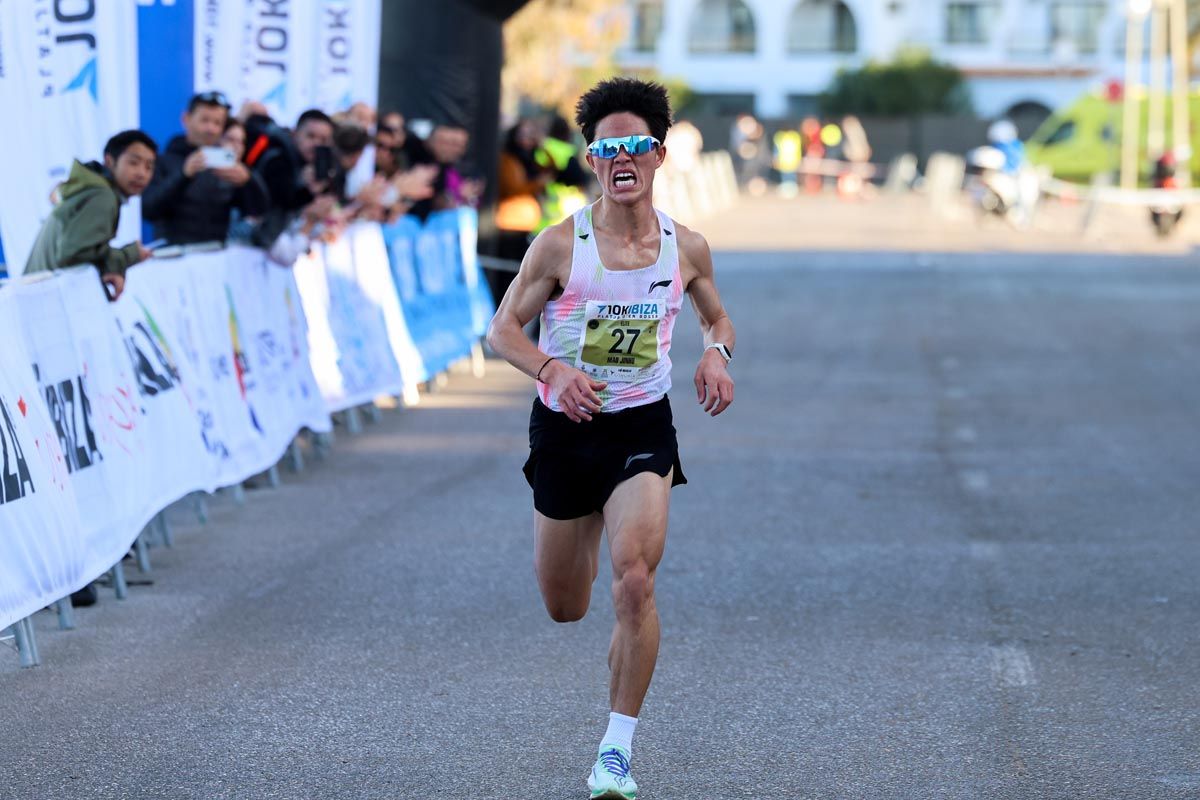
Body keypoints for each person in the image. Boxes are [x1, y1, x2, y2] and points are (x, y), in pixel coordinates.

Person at [485, 77, 736, 800]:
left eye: (636, 144)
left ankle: (616, 751)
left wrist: (717, 353)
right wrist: (551, 368)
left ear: (659, 154)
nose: (622, 157)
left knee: (635, 581)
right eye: (607, 147)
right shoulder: (559, 245)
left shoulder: (686, 248)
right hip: (566, 431)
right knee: (566, 605)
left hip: (641, 424)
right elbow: (502, 330)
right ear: (592, 158)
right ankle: (592, 541)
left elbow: (717, 319)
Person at [25, 130, 157, 301]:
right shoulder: (103, 196)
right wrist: (129, 254)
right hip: (48, 302)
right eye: (134, 163)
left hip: (40, 298)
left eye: (149, 167)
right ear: (109, 161)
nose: (142, 173)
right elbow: (73, 255)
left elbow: (78, 253)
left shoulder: (92, 189)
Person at [141, 91, 263, 245]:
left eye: (217, 123)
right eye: (204, 120)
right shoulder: (163, 162)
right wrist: (184, 174)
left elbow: (258, 210)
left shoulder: (226, 168)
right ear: (186, 119)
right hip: (173, 254)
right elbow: (149, 209)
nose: (210, 129)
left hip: (215, 254)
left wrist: (248, 180)